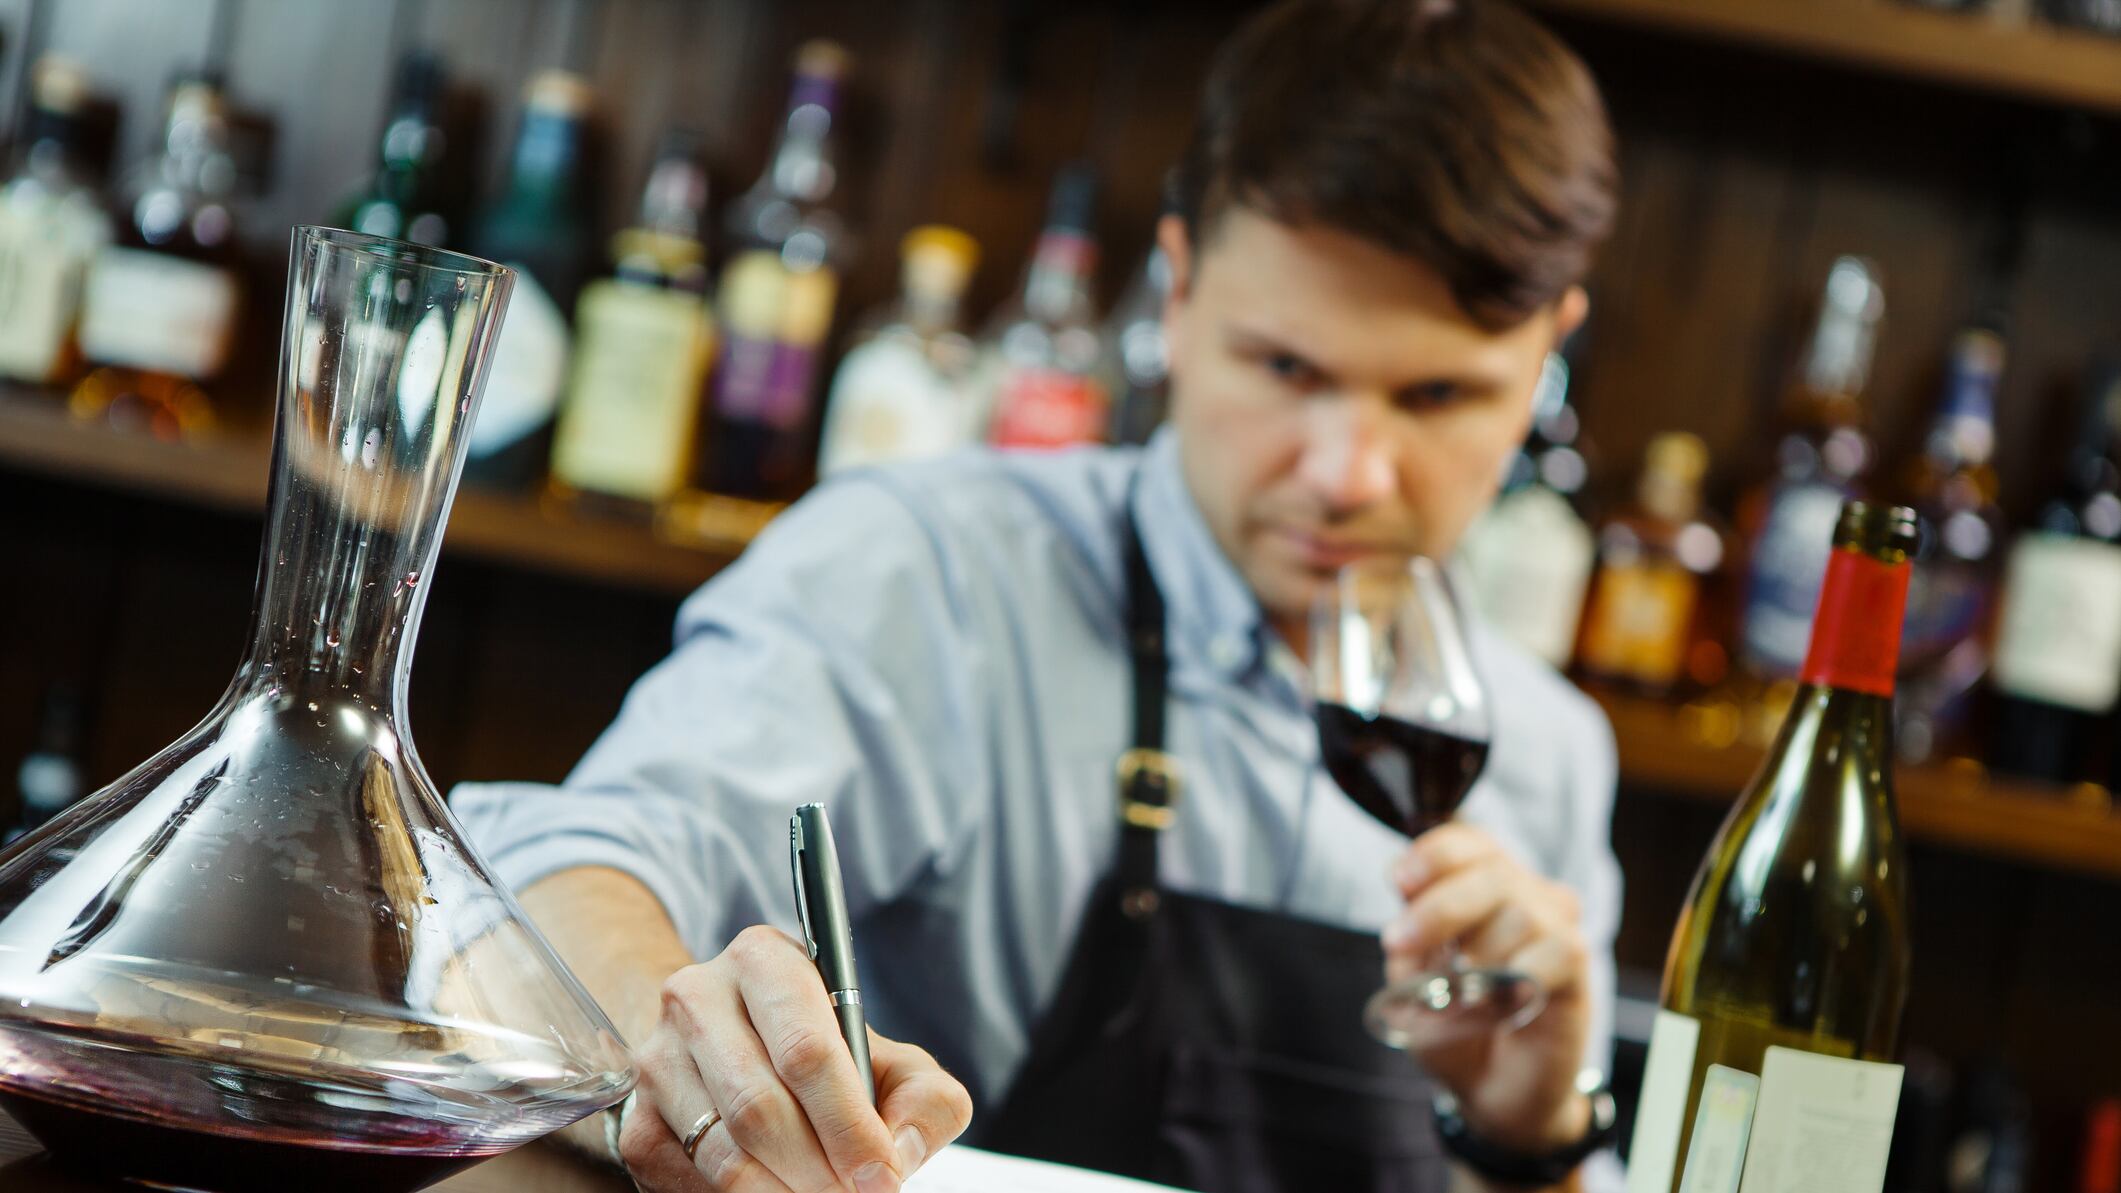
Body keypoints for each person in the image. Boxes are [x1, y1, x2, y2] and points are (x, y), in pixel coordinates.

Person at [453, 0, 1622, 1189]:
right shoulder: (933, 572)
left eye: (1438, 396)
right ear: (1176, 294)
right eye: (1285, 365)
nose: (1349, 475)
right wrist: (682, 1055)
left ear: (1549, 355)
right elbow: (564, 871)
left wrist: (1535, 1133)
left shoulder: (1552, 755)